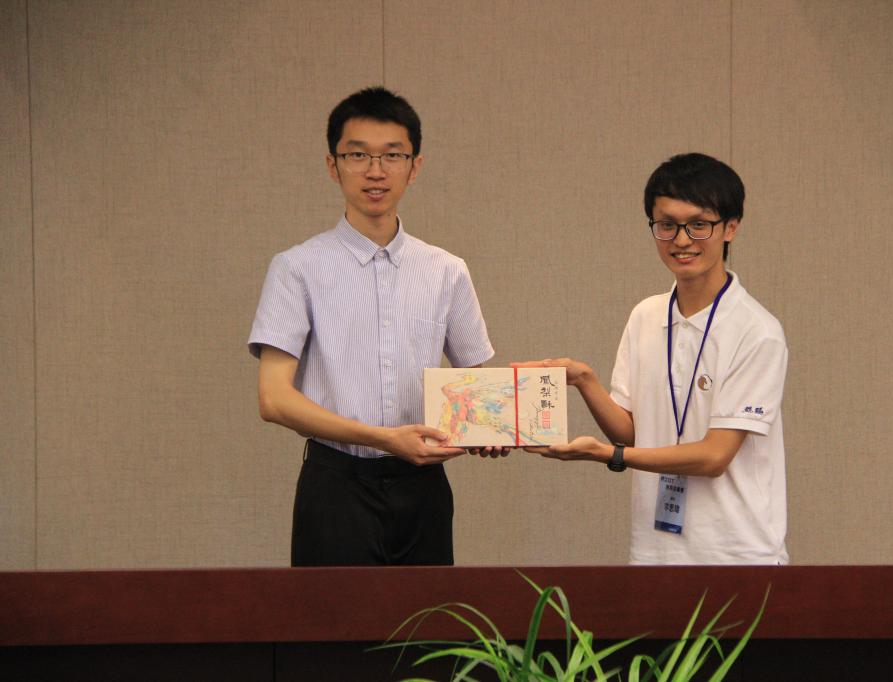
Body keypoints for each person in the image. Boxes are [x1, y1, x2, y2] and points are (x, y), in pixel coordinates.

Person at [248, 87, 499, 567]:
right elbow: (273, 399)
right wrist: (383, 438)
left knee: (430, 617)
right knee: (331, 617)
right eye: (358, 154)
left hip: (423, 488)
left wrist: (491, 429)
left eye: (392, 155)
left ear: (414, 166)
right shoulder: (297, 268)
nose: (375, 170)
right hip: (334, 486)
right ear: (333, 165)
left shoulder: (447, 270)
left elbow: (478, 387)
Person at [517, 153, 789, 565]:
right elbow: (632, 434)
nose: (682, 240)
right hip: (654, 552)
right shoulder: (646, 315)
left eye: (699, 224)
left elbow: (714, 456)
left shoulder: (757, 331)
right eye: (667, 225)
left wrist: (608, 455)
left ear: (730, 227)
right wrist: (584, 380)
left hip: (736, 555)